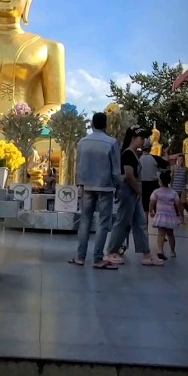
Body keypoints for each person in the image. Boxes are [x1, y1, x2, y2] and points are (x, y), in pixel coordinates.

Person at [105, 127, 164, 267]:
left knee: (140, 223)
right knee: (122, 222)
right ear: (133, 138)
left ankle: (146, 254)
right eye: (141, 138)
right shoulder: (128, 154)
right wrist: (138, 191)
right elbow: (129, 175)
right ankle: (110, 251)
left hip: (133, 193)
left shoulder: (133, 154)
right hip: (128, 193)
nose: (143, 141)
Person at [70, 112, 121, 269]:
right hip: (105, 185)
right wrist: (118, 185)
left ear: (92, 124)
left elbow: (77, 166)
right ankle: (98, 258)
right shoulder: (111, 143)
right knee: (103, 222)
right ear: (106, 125)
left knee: (85, 220)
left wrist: (79, 183)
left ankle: (80, 257)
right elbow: (115, 169)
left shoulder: (82, 142)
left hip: (86, 185)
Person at [150, 169, 181, 259]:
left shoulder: (156, 191)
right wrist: (179, 214)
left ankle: (160, 250)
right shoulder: (173, 192)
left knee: (161, 234)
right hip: (170, 216)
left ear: (160, 181)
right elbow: (177, 203)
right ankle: (172, 251)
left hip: (160, 215)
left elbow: (152, 202)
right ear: (169, 181)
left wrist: (151, 210)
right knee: (170, 234)